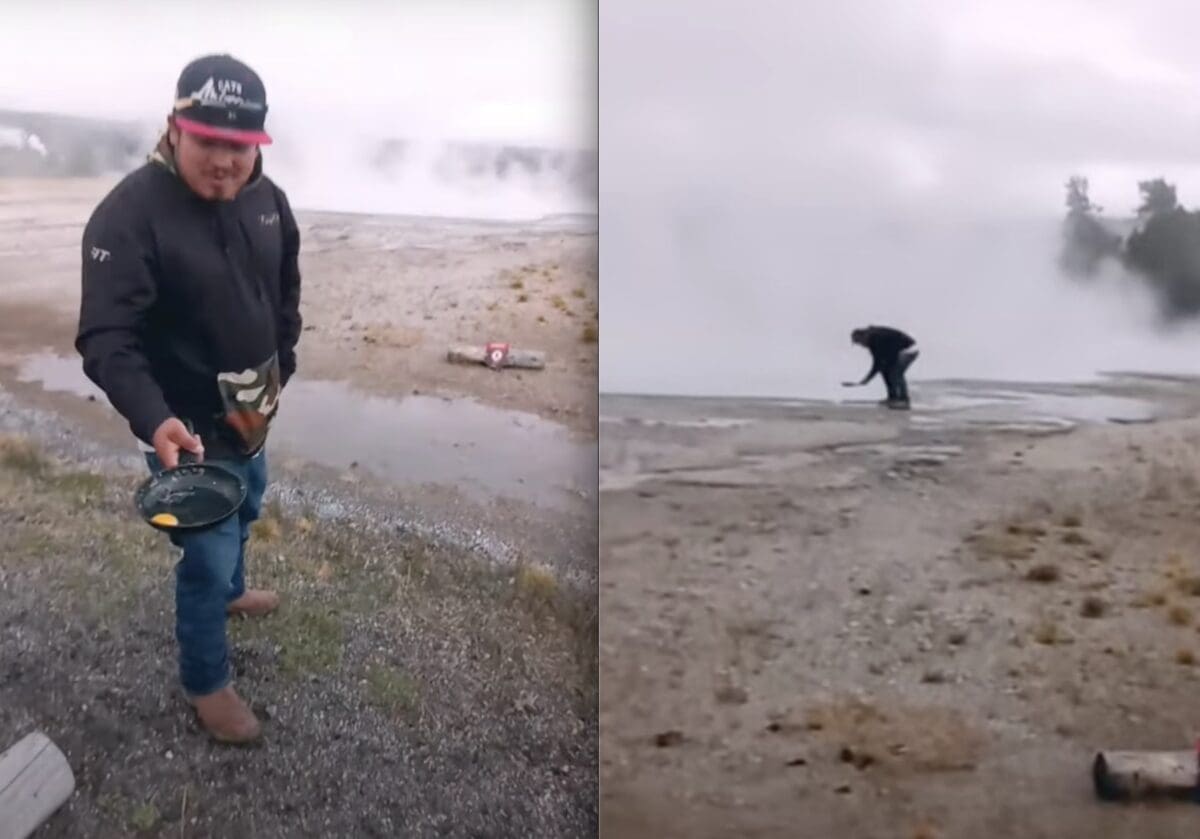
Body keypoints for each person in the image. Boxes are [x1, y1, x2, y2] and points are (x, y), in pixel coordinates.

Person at [75, 54, 302, 744]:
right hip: (183, 426)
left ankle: (233, 593)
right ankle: (207, 681)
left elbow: (286, 292)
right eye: (208, 140)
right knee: (203, 554)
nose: (225, 161)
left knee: (252, 499)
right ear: (175, 127)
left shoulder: (269, 201)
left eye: (240, 145)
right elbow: (106, 338)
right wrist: (154, 417)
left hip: (250, 412)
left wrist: (282, 363)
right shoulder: (128, 215)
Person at [842, 325, 918, 409]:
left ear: (863, 336)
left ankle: (904, 399)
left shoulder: (875, 339)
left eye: (859, 342)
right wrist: (867, 380)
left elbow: (878, 363)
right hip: (896, 350)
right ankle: (893, 397)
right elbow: (878, 363)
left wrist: (867, 380)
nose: (861, 345)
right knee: (885, 370)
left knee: (896, 372)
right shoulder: (872, 340)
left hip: (909, 348)